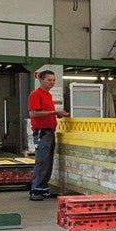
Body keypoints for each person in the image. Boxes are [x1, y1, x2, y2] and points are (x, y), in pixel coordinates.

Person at [27, 69, 67, 200]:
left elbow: (45, 112)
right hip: (42, 132)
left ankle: (43, 188)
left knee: (48, 161)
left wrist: (55, 115)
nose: (52, 82)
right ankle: (35, 190)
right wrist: (55, 113)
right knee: (42, 161)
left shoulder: (48, 95)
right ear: (40, 79)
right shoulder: (36, 94)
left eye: (54, 80)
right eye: (49, 80)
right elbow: (34, 113)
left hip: (49, 131)